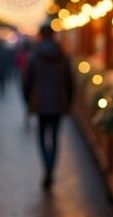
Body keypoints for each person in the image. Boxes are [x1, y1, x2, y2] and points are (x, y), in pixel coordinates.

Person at [22, 24, 74, 190]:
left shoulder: (34, 57)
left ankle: (47, 168)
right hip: (58, 103)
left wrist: (28, 102)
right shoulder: (63, 57)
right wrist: (69, 102)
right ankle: (51, 170)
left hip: (40, 103)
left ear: (40, 36)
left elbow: (27, 82)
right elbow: (70, 82)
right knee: (55, 138)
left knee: (42, 137)